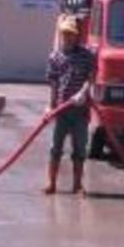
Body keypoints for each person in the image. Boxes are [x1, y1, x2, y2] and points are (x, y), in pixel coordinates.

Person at [44, 15, 96, 195]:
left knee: (79, 149)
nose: (68, 36)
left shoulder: (86, 55)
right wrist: (50, 106)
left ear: (76, 35)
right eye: (65, 33)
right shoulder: (55, 57)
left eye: (71, 33)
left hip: (79, 110)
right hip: (61, 110)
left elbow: (91, 78)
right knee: (55, 148)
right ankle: (51, 184)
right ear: (61, 34)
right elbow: (54, 83)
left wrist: (83, 92)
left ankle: (77, 185)